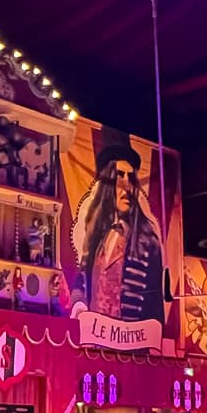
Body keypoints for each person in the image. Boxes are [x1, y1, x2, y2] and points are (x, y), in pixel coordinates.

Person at [74, 132, 166, 323]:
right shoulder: (95, 235)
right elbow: (81, 281)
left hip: (129, 345)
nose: (126, 187)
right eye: (119, 176)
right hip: (95, 341)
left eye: (131, 178)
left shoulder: (148, 242)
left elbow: (154, 307)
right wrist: (79, 305)